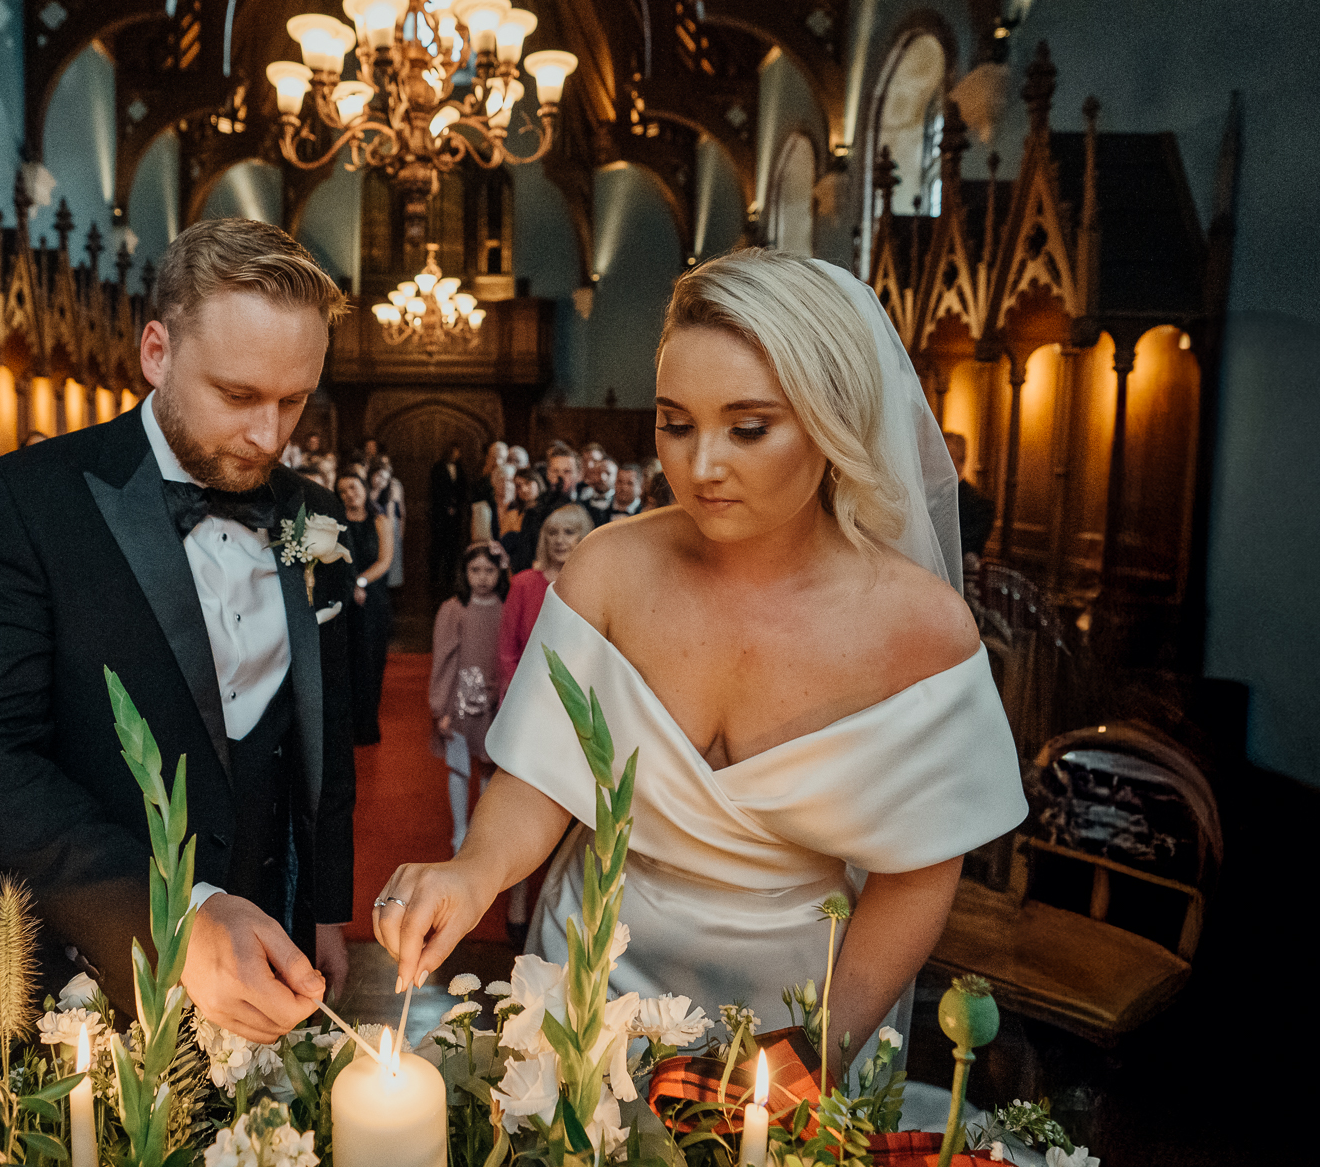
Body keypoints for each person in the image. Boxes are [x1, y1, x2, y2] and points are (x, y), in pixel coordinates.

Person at [373, 249, 1025, 1081]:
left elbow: (918, 876)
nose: (701, 465)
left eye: (748, 428)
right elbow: (543, 779)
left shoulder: (920, 628)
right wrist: (472, 873)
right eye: (675, 424)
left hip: (797, 995)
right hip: (593, 967)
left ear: (833, 422)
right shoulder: (610, 569)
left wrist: (816, 1053)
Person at [0, 218, 356, 1039]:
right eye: (238, 395)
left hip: (274, 961)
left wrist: (324, 907)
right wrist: (178, 920)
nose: (270, 436)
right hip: (80, 971)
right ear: (156, 353)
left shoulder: (316, 516)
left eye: (294, 400)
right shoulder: (20, 504)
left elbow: (321, 728)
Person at [429, 542, 511, 853]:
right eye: (474, 570)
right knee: (459, 766)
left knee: (488, 766)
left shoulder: (506, 606)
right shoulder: (454, 609)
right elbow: (443, 659)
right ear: (464, 573)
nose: (482, 577)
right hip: (459, 702)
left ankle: (481, 829)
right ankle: (459, 830)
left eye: (489, 570)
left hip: (493, 701)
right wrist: (440, 707)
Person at [498, 502, 591, 690]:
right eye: (553, 532)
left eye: (569, 532)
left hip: (580, 694)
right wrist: (524, 690)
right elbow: (506, 652)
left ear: (583, 538)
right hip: (527, 693)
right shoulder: (522, 584)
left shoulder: (593, 586)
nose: (559, 540)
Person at [335, 471, 395, 745]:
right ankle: (346, 726)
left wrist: (361, 581)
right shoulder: (335, 522)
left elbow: (385, 560)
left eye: (353, 486)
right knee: (347, 661)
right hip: (344, 598)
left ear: (364, 488)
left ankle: (367, 725)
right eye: (343, 490)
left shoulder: (380, 520)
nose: (349, 493)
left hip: (373, 598)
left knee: (371, 661)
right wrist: (350, 584)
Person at [427, 442, 470, 597]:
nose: (456, 455)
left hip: (456, 514)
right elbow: (436, 489)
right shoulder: (438, 467)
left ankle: (449, 576)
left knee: (453, 545)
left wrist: (456, 505)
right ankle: (434, 576)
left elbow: (462, 489)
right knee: (438, 545)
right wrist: (446, 505)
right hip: (440, 514)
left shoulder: (460, 468)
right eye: (454, 452)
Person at [946, 431, 995, 560]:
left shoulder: (980, 503)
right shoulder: (925, 495)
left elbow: (969, 546)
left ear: (961, 459)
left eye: (946, 456)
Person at [497, 467, 546, 571]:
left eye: (527, 483)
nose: (524, 489)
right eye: (519, 486)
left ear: (537, 482)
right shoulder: (513, 514)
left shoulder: (548, 512)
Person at [369, 457, 406, 592]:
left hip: (383, 532)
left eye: (385, 479)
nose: (381, 481)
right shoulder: (366, 492)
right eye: (379, 476)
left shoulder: (388, 493)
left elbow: (391, 516)